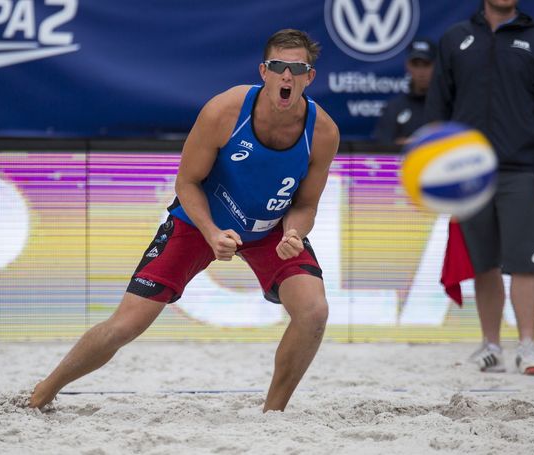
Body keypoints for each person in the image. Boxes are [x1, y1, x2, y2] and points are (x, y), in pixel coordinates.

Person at [29, 29, 339, 411]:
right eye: (278, 66)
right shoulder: (224, 111)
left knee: (314, 312)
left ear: (310, 77)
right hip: (200, 221)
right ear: (264, 71)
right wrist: (210, 232)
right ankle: (42, 393)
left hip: (270, 229)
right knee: (127, 324)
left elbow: (306, 204)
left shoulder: (323, 132)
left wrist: (295, 231)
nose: (286, 76)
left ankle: (272, 416)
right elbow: (187, 181)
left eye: (297, 68)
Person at [425, 0, 534, 375]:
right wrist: (438, 162)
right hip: (468, 172)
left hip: (521, 169)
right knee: (483, 263)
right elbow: (439, 102)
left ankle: (527, 348)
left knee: (526, 263)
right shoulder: (457, 37)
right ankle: (491, 345)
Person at [373, 38, 436, 145]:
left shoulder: (446, 106)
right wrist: (400, 146)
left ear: (436, 66)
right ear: (408, 66)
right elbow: (381, 146)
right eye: (416, 65)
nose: (421, 72)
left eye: (426, 64)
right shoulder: (395, 107)